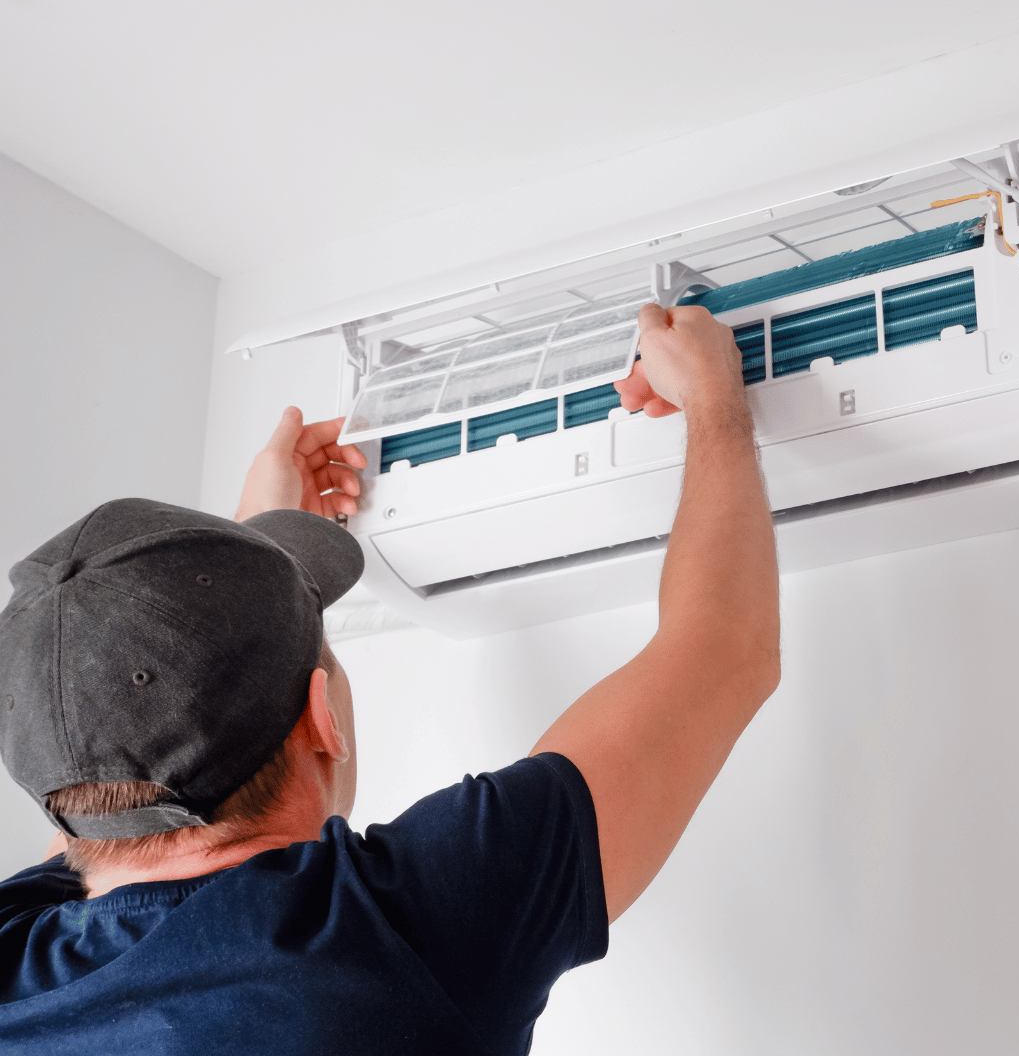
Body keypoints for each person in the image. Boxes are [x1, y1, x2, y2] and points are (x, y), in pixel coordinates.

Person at [0, 303, 780, 1054]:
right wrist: (714, 398)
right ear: (321, 718)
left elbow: (111, 780)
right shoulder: (403, 932)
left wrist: (246, 566)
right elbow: (722, 650)